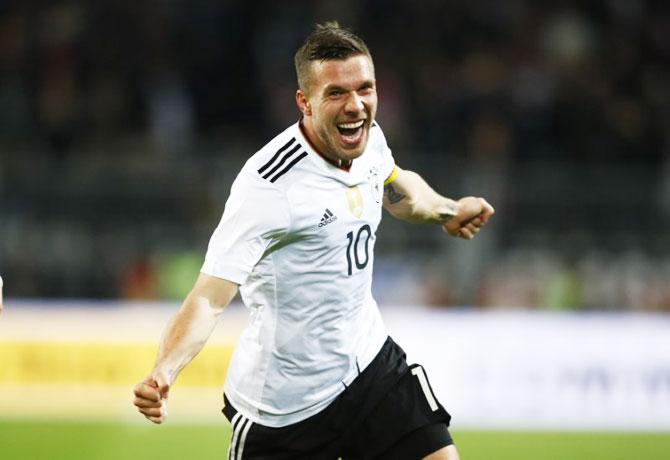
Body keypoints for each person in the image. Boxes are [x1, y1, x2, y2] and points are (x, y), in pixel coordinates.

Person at [133, 22, 494, 460]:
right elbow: (209, 296)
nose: (356, 106)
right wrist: (164, 370)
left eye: (365, 88)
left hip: (371, 369)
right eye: (337, 93)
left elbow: (398, 191)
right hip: (286, 409)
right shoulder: (268, 187)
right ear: (304, 102)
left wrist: (449, 211)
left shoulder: (370, 140)